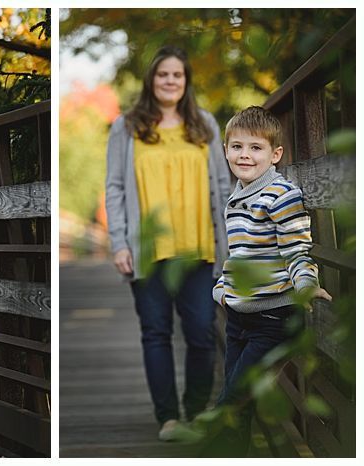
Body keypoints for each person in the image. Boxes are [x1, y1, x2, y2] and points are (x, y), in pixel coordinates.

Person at [104, 45, 232, 441]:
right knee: (156, 332)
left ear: (186, 81)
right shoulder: (126, 127)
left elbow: (223, 187)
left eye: (178, 75)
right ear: (151, 80)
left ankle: (196, 412)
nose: (171, 81)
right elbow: (115, 188)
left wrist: (231, 242)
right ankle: (169, 418)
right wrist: (119, 242)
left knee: (201, 331)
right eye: (163, 75)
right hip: (148, 251)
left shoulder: (206, 125)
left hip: (199, 249)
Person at [209, 106, 331, 455]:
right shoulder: (237, 195)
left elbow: (297, 250)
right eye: (237, 146)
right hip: (238, 317)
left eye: (256, 147)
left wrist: (306, 284)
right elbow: (240, 253)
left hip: (273, 319)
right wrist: (222, 289)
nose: (244, 154)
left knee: (228, 404)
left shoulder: (281, 195)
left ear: (275, 154)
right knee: (238, 404)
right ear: (226, 149)